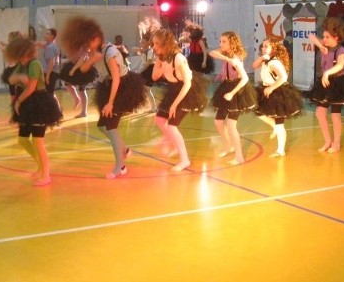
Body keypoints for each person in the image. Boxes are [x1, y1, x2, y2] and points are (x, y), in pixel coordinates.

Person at [59, 16, 147, 179]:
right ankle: (125, 150)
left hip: (121, 88)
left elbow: (117, 79)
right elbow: (84, 69)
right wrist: (91, 58)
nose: (86, 46)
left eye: (88, 42)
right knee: (102, 126)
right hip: (108, 86)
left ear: (97, 39)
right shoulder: (94, 52)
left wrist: (111, 103)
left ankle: (121, 166)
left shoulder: (110, 53)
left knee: (111, 128)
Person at [5, 37, 62, 186]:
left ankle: (46, 175)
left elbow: (31, 87)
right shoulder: (22, 65)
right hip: (27, 103)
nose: (18, 58)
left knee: (38, 141)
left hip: (39, 103)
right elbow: (11, 79)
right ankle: (40, 166)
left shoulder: (34, 64)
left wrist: (18, 100)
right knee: (23, 139)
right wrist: (19, 77)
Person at [151, 28, 208, 171]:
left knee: (171, 125)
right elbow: (154, 77)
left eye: (156, 43)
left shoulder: (179, 58)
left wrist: (174, 105)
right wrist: (158, 61)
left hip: (186, 92)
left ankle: (185, 160)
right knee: (159, 119)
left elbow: (187, 84)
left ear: (165, 44)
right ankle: (175, 145)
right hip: (173, 89)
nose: (154, 47)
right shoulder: (162, 57)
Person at [307, 17, 344, 153]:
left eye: (327, 37)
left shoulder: (340, 50)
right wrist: (319, 42)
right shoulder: (325, 49)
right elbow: (311, 36)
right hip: (326, 83)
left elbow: (341, 65)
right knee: (319, 113)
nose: (324, 39)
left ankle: (337, 143)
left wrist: (327, 73)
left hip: (338, 84)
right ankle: (328, 141)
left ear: (336, 37)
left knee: (335, 115)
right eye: (323, 36)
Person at [209, 31, 258, 165]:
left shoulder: (236, 58)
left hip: (236, 91)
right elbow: (211, 53)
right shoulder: (227, 55)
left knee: (231, 125)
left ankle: (239, 157)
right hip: (226, 87)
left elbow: (245, 78)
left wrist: (232, 93)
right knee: (218, 122)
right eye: (220, 41)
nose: (221, 44)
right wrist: (226, 60)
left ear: (232, 43)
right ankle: (228, 146)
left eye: (224, 41)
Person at [252, 38, 303, 157]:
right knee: (258, 111)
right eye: (262, 46)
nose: (263, 48)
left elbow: (283, 77)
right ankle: (273, 126)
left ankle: (281, 150)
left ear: (273, 48)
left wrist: (272, 88)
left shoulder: (274, 62)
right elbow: (254, 65)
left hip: (278, 92)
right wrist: (261, 58)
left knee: (279, 122)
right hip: (267, 89)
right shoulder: (266, 61)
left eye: (266, 46)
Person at [59, 47, 98, 118]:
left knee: (82, 90)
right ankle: (77, 98)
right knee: (67, 84)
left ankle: (84, 111)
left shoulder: (85, 45)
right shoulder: (76, 44)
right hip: (75, 66)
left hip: (83, 69)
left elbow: (82, 59)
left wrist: (73, 69)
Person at [41, 28, 60, 99]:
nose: (45, 35)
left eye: (47, 34)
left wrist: (47, 76)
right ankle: (56, 109)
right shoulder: (49, 46)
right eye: (46, 33)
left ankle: (54, 109)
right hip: (51, 72)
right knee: (50, 93)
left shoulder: (50, 47)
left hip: (51, 72)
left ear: (52, 36)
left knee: (49, 93)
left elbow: (52, 62)